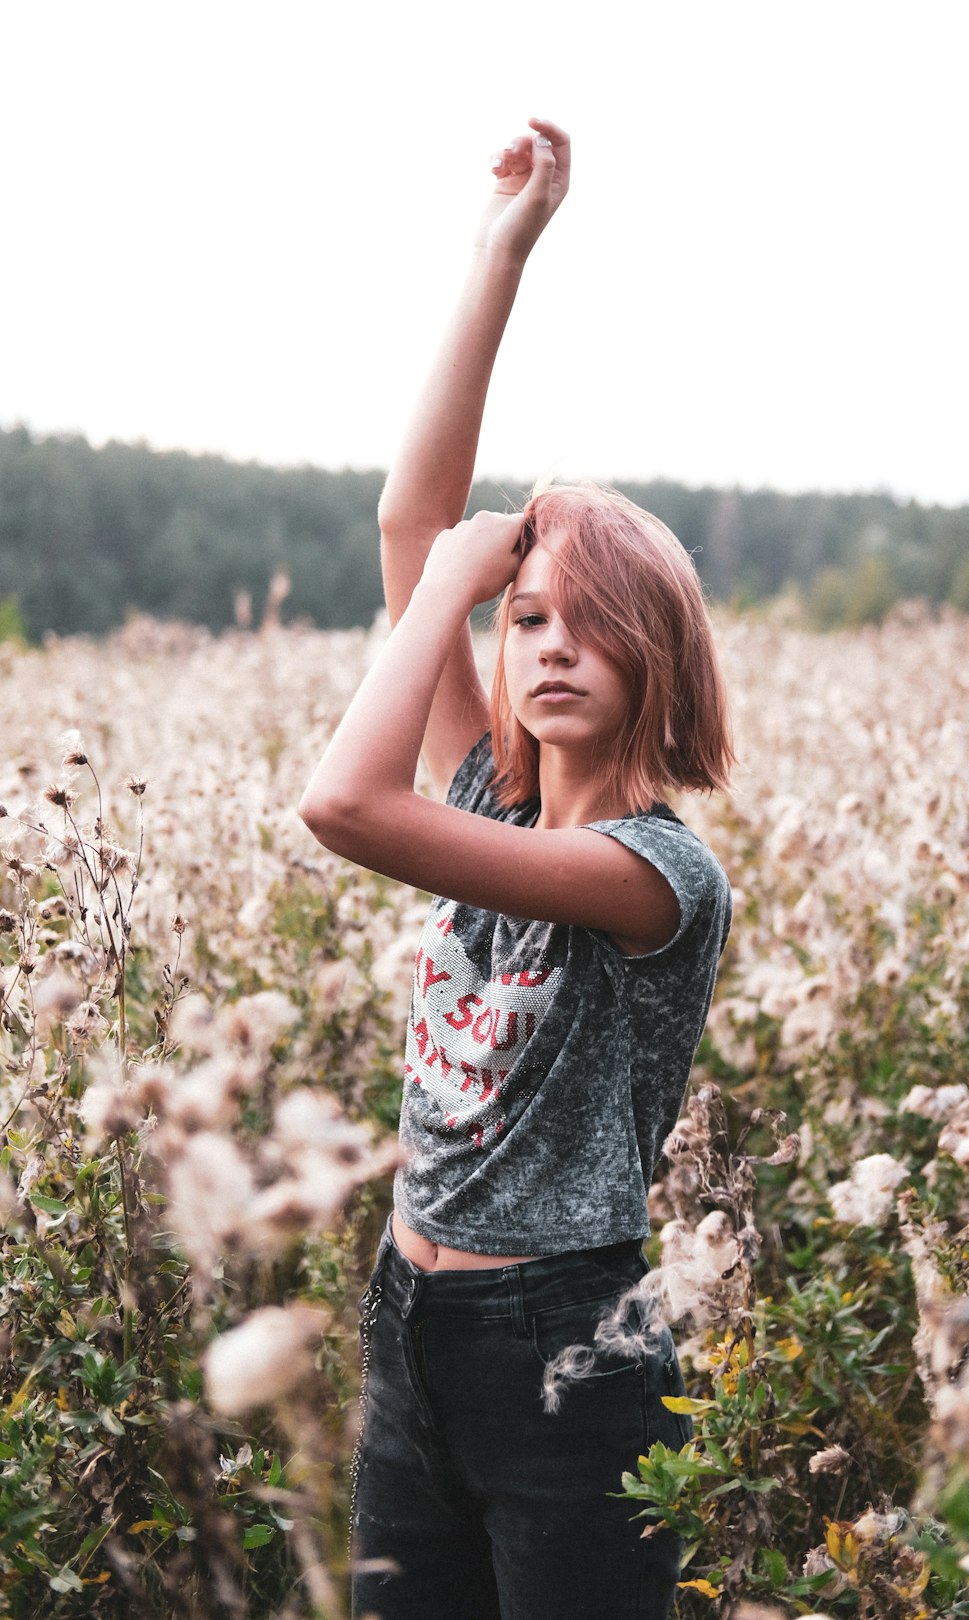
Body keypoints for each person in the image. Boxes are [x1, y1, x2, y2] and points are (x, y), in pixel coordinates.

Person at [299, 117, 734, 1620]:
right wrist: (501, 249)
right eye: (529, 618)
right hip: (410, 1318)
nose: (551, 645)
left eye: (592, 621)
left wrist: (458, 585)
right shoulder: (492, 791)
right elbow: (409, 520)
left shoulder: (653, 874)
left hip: (567, 1355)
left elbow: (343, 803)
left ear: (659, 655)